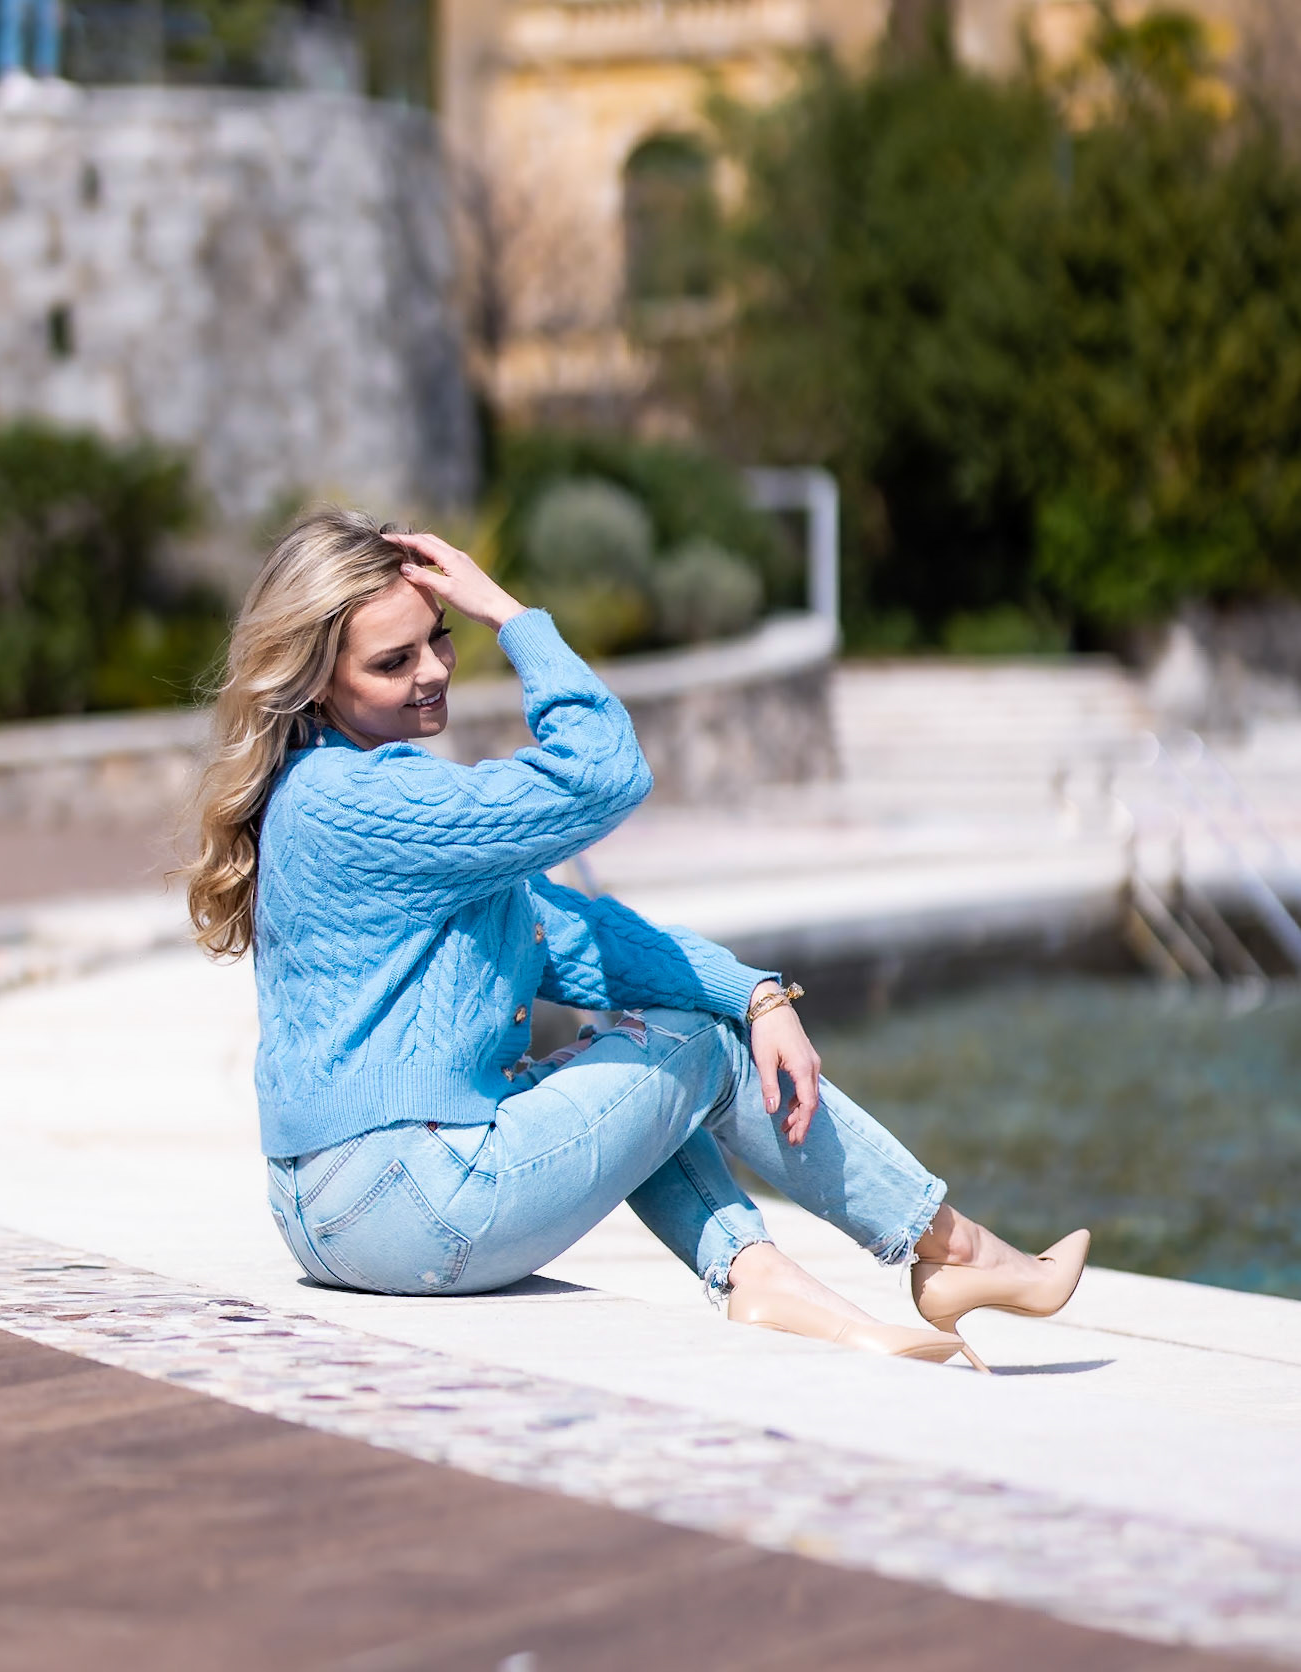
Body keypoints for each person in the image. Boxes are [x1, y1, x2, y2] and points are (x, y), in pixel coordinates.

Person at [187, 508, 1089, 1368]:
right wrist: (510, 616)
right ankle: (952, 1250)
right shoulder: (360, 800)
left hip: (341, 1208)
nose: (433, 670)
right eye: (394, 661)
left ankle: (761, 1275)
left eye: (441, 637)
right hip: (412, 1203)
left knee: (638, 1051)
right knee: (700, 1047)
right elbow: (603, 774)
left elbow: (573, 938)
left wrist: (753, 991)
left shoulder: (337, 792)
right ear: (316, 679)